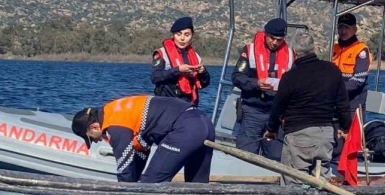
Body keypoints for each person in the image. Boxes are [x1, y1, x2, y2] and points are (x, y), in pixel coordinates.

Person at [264, 31, 351, 184]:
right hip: (325, 136)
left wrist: (271, 130)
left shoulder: (290, 77)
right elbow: (343, 105)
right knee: (321, 183)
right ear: (313, 49)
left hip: (299, 137)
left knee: (294, 183)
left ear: (294, 52)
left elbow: (277, 108)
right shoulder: (333, 71)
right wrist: (344, 127)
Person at [71, 95, 215, 183]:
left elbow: (124, 167)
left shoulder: (115, 125)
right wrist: (134, 180)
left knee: (150, 184)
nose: (97, 141)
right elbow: (140, 150)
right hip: (204, 122)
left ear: (95, 127)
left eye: (91, 138)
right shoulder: (115, 109)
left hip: (185, 128)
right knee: (196, 184)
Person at [231, 18, 294, 161]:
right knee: (245, 157)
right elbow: (236, 76)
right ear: (265, 34)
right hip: (253, 111)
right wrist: (256, 83)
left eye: (279, 39)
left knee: (275, 158)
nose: (275, 42)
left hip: (276, 115)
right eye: (272, 38)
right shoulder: (249, 50)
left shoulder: (290, 55)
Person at [331, 13, 371, 161]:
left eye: (346, 28)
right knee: (335, 139)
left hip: (354, 104)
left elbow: (358, 80)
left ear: (354, 29)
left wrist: (335, 91)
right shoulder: (333, 48)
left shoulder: (361, 50)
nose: (343, 31)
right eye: (340, 27)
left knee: (351, 143)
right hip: (336, 103)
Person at [151, 16, 210, 106]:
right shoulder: (161, 54)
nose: (182, 38)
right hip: (167, 105)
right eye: (178, 34)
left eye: (186, 35)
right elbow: (155, 77)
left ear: (192, 36)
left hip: (189, 106)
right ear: (173, 35)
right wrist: (178, 70)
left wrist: (203, 72)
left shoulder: (196, 57)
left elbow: (204, 84)